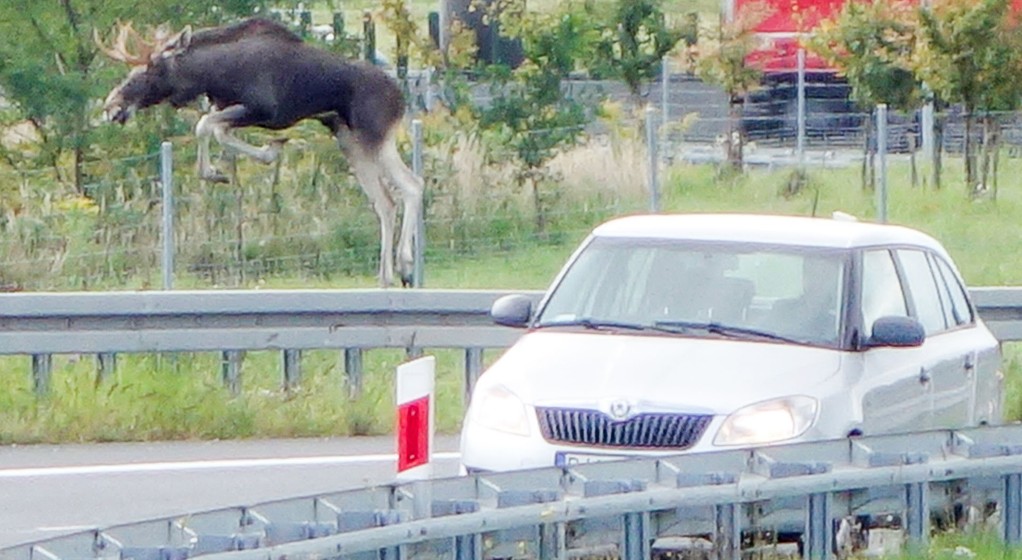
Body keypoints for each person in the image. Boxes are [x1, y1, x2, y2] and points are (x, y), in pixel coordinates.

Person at [767, 256, 842, 343]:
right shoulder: (782, 309)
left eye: (824, 276)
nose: (816, 282)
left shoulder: (841, 318)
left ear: (835, 280)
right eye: (811, 274)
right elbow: (759, 335)